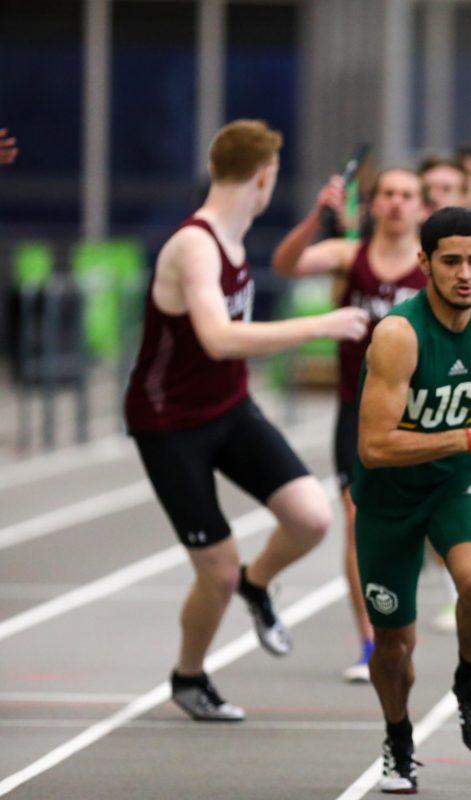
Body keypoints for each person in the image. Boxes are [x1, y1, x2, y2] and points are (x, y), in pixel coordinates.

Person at [123, 119, 369, 721]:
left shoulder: (236, 235)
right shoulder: (195, 245)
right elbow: (217, 337)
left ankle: (261, 585)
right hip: (169, 423)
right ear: (264, 177)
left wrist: (322, 218)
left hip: (228, 408)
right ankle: (190, 676)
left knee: (310, 517)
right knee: (217, 573)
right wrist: (319, 326)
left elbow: (293, 257)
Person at [352, 206, 471, 792]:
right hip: (388, 496)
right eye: (451, 261)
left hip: (453, 480)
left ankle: (469, 679)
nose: (464, 273)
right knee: (394, 643)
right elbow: (373, 446)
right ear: (424, 263)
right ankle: (397, 737)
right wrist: (469, 434)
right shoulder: (399, 334)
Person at [271, 167, 428, 682]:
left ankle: (406, 624)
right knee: (358, 522)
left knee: (418, 526)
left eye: (408, 195)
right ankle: (369, 640)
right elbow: (287, 263)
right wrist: (320, 214)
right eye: (389, 194)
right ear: (374, 203)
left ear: (421, 206)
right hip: (356, 411)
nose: (398, 203)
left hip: (421, 409)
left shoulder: (434, 263)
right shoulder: (349, 254)